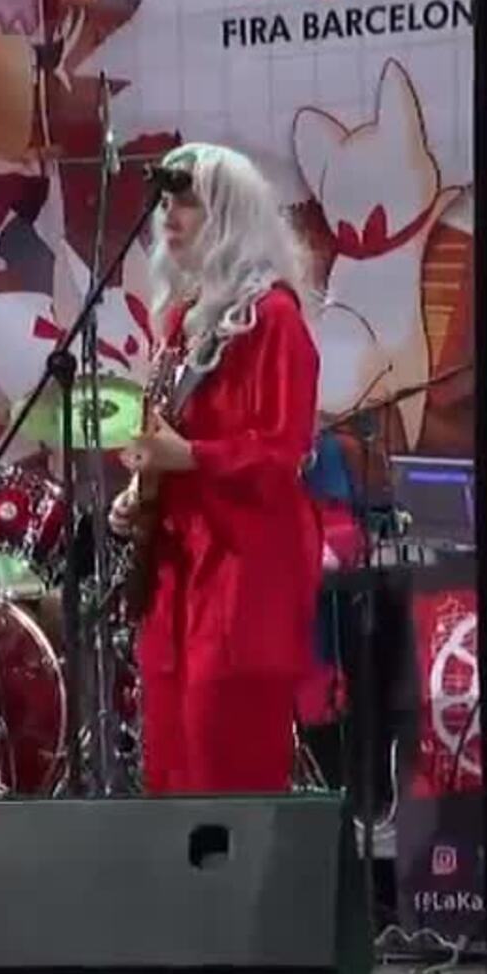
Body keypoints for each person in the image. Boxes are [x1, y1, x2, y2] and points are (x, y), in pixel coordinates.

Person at [110, 142, 323, 794]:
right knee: (170, 762)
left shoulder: (273, 318)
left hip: (242, 570)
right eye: (165, 204)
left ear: (230, 216)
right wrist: (141, 490)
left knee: (226, 761)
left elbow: (282, 451)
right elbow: (166, 434)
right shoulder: (181, 321)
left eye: (189, 204)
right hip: (177, 568)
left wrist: (191, 457)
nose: (169, 217)